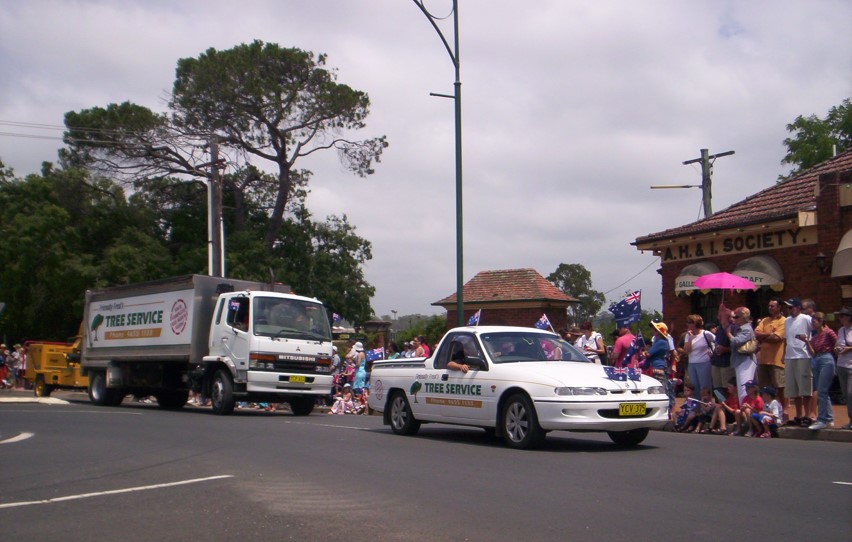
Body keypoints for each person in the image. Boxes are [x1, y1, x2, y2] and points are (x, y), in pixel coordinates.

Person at [754, 298, 787, 421]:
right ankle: (766, 414)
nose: (770, 308)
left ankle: (782, 414)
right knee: (764, 388)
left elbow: (777, 338)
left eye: (773, 306)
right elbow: (756, 333)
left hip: (777, 360)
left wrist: (763, 337)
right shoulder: (764, 320)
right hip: (763, 360)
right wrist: (769, 335)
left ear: (779, 307)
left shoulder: (784, 321)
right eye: (769, 305)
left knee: (779, 388)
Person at [783, 297, 814, 427]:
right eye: (788, 308)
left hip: (803, 355)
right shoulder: (787, 321)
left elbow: (817, 329)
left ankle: (808, 415)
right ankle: (799, 415)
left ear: (798, 307)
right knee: (793, 389)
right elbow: (786, 339)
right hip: (790, 356)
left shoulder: (806, 319)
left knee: (805, 388)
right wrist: (784, 354)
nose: (789, 310)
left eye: (791, 307)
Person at [803, 312, 836, 430]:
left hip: (827, 359)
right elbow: (813, 353)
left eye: (815, 320)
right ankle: (829, 418)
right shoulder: (815, 336)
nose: (813, 323)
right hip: (817, 359)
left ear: (822, 320)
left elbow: (837, 344)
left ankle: (822, 419)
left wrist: (836, 353)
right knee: (822, 390)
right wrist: (806, 341)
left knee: (822, 390)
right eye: (812, 321)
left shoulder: (828, 332)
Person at [728, 307, 758, 403]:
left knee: (744, 388)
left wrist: (728, 333)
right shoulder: (739, 329)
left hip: (746, 360)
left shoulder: (746, 329)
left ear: (743, 317)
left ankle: (746, 414)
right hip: (740, 361)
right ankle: (744, 413)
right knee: (742, 387)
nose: (734, 319)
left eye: (736, 317)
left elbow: (736, 341)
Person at [646, 321, 675, 416]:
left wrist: (644, 353)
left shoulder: (661, 342)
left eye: (654, 329)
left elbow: (649, 354)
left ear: (658, 331)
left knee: (660, 389)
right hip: (656, 366)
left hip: (657, 367)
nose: (652, 330)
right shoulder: (659, 341)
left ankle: (666, 411)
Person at [683, 315, 714, 400]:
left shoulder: (706, 334)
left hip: (704, 363)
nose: (687, 324)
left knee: (705, 386)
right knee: (694, 387)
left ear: (695, 323)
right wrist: (690, 338)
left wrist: (713, 353)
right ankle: (697, 408)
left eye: (689, 323)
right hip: (692, 363)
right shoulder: (688, 335)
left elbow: (716, 342)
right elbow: (686, 350)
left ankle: (707, 407)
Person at [834, 306, 852, 430]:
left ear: (849, 317)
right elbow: (837, 345)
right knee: (846, 394)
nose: (840, 318)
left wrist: (848, 349)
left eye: (843, 316)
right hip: (841, 365)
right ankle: (851, 420)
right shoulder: (841, 330)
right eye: (840, 316)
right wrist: (837, 349)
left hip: (851, 365)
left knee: (851, 393)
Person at [710, 305, 734, 388]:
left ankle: (727, 401)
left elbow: (737, 346)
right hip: (716, 361)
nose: (718, 318)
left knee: (726, 387)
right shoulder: (719, 329)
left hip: (727, 362)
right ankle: (719, 401)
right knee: (717, 387)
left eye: (721, 316)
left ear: (728, 316)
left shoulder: (733, 328)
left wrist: (726, 349)